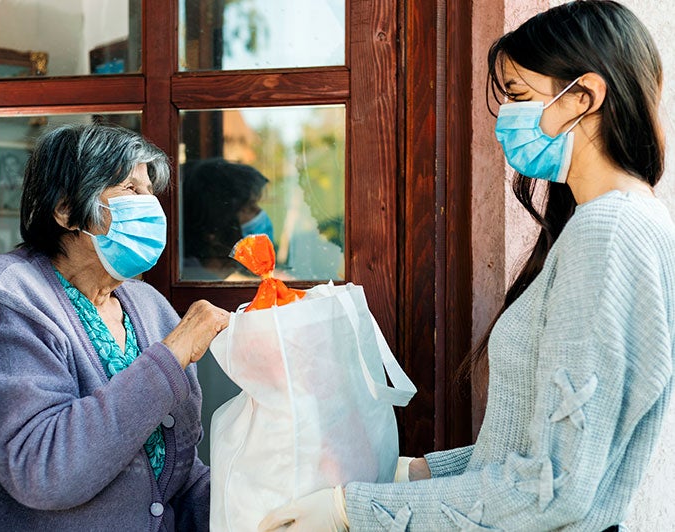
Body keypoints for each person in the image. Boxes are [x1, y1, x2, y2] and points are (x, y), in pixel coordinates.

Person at [259, 1, 675, 530]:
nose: (507, 119)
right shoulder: (629, 220)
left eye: (521, 97)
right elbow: (529, 446)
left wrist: (353, 511)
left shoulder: (608, 232)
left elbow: (553, 488)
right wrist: (417, 472)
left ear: (585, 97)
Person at [0, 124, 229, 530]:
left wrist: (259, 504)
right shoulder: (6, 294)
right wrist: (172, 355)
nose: (152, 207)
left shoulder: (150, 306)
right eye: (130, 189)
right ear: (66, 210)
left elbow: (176, 476)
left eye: (150, 192)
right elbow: (45, 471)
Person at [182, 157, 273, 280]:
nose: (260, 214)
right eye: (248, 208)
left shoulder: (208, 282)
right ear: (212, 231)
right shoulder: (195, 285)